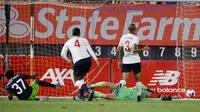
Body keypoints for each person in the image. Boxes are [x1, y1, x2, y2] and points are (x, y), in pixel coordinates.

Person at [61, 28, 100, 101]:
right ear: (79, 34)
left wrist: (69, 60)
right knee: (81, 79)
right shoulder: (84, 40)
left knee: (76, 81)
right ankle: (81, 97)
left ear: (72, 34)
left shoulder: (68, 42)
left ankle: (89, 90)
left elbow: (62, 54)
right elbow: (90, 50)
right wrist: (96, 60)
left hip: (78, 61)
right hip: (88, 60)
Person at [116, 23, 149, 102]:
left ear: (128, 29)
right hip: (135, 61)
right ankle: (138, 97)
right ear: (135, 30)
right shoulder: (135, 38)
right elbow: (134, 50)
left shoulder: (123, 37)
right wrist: (143, 49)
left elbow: (118, 50)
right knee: (138, 80)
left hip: (126, 61)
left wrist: (119, 61)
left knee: (125, 80)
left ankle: (120, 85)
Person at [86, 81, 155, 101]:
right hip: (122, 89)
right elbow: (141, 84)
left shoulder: (143, 98)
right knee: (106, 84)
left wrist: (161, 97)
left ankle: (91, 93)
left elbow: (155, 100)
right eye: (150, 93)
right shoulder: (142, 88)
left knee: (106, 96)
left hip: (121, 97)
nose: (151, 95)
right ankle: (90, 86)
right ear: (148, 91)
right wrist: (151, 90)